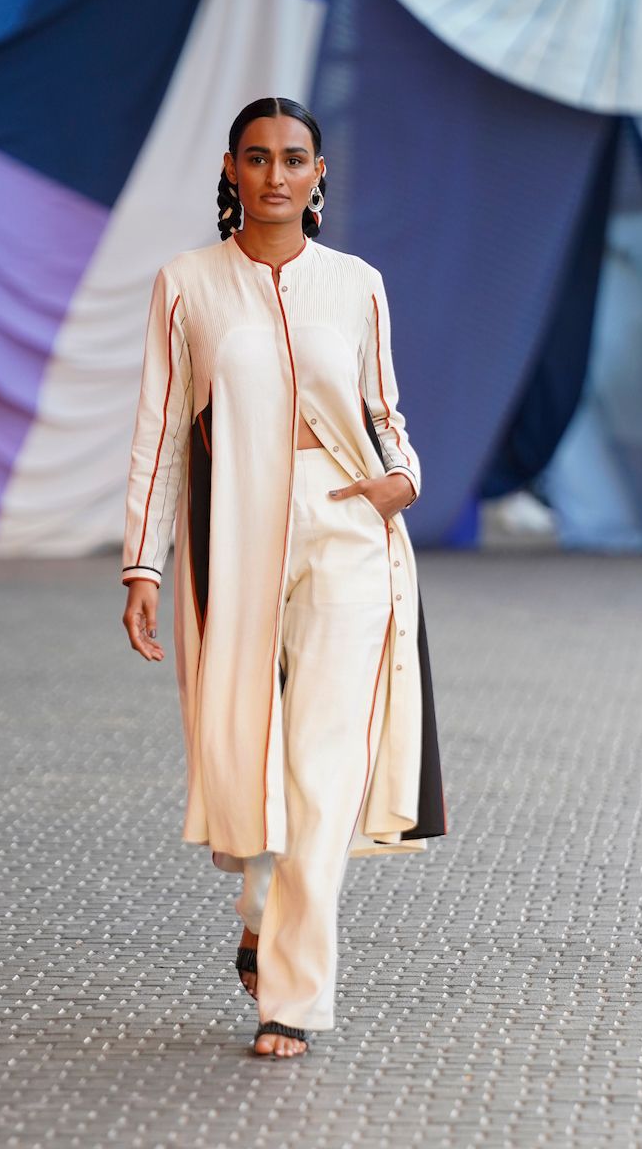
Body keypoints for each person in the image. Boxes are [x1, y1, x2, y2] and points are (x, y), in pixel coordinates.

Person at [121, 97, 447, 1058]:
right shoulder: (187, 285)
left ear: (317, 173)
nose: (276, 175)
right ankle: (260, 901)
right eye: (257, 158)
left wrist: (403, 478)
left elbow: (385, 413)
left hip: (348, 528)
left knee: (325, 763)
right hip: (236, 531)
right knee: (244, 748)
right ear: (232, 170)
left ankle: (292, 999)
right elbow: (159, 432)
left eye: (293, 158)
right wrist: (143, 564)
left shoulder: (357, 284)